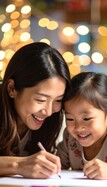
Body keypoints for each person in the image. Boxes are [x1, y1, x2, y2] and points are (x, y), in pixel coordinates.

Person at [0, 42, 71, 178]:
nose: (49, 112)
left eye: (58, 100)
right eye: (41, 100)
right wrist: (18, 165)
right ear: (12, 89)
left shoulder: (53, 119)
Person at [57, 71, 107, 179]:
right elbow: (57, 165)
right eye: (70, 119)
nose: (78, 127)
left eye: (87, 118)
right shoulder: (70, 140)